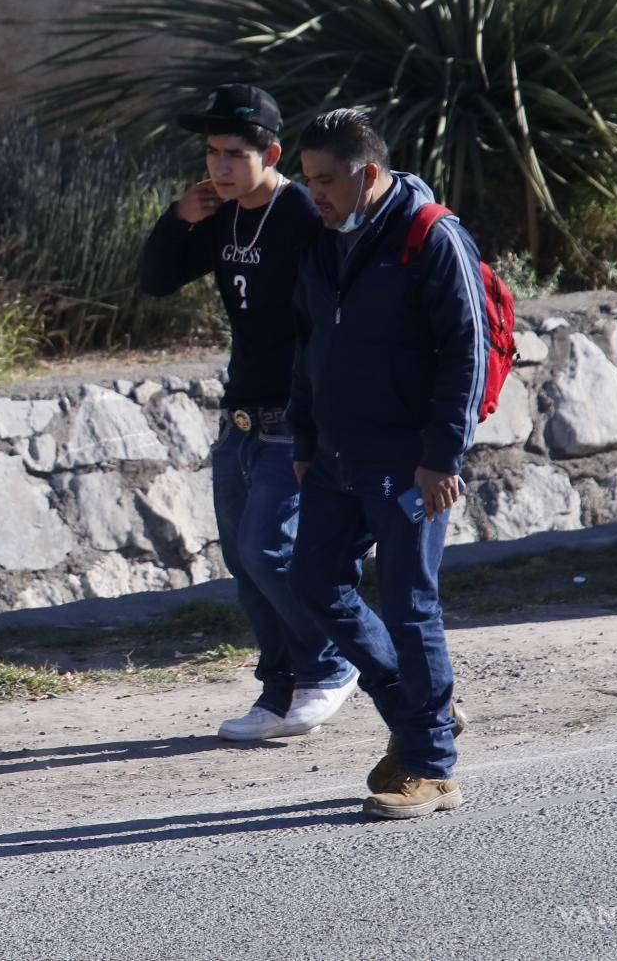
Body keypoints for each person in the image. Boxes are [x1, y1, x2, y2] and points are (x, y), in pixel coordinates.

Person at [139, 84, 358, 742]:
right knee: (242, 557)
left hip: (293, 418)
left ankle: (330, 663)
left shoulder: (302, 211)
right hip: (239, 416)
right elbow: (154, 279)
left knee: (270, 549)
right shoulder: (217, 215)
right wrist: (179, 216)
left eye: (234, 153)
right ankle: (278, 686)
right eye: (210, 153)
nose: (218, 167)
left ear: (272, 151)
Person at [286, 107, 486, 820]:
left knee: (409, 606)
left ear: (367, 173)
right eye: (307, 180)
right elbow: (307, 346)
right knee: (313, 581)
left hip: (409, 466)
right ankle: (419, 713)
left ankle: (431, 766)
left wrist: (441, 457)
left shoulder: (431, 235)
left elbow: (468, 350)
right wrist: (305, 444)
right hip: (336, 461)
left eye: (326, 180)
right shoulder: (325, 240)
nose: (314, 193)